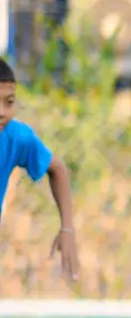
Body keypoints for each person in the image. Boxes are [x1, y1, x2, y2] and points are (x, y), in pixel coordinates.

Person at [0, 59, 80, 285]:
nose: (2, 112)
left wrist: (67, 229)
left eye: (9, 102)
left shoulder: (16, 138)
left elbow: (58, 169)